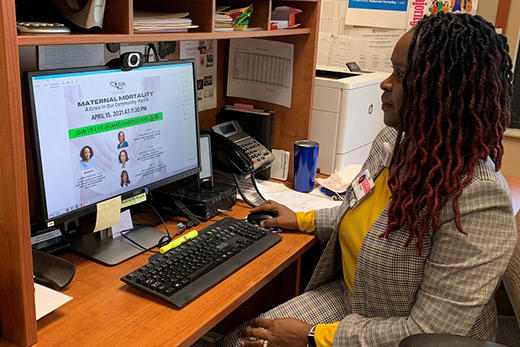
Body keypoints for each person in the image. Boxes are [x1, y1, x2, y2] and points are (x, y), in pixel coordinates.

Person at [219, 13, 517, 347]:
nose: (385, 83)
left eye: (401, 74)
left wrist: (313, 337)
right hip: (355, 298)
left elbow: (428, 331)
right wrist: (302, 218)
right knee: (236, 340)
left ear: (444, 92)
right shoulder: (394, 142)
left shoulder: (477, 199)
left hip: (403, 333)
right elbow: (368, 217)